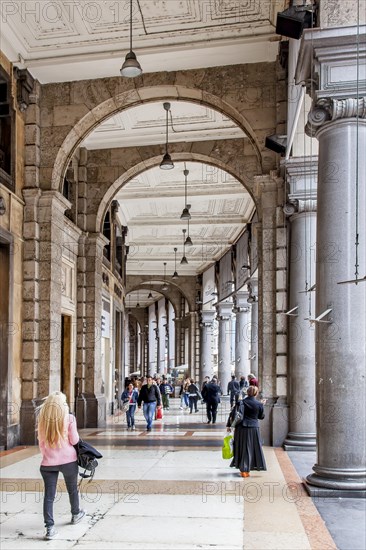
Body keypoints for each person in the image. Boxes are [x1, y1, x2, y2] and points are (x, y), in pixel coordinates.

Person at [36, 391, 86, 540]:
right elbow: (75, 440)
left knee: (49, 496)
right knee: (72, 490)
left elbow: (41, 443)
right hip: (68, 460)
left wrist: (48, 454)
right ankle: (75, 514)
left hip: (47, 463)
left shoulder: (42, 420)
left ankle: (50, 528)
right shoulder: (70, 418)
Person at [226, 385, 266, 478]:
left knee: (242, 447)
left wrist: (229, 425)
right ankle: (246, 469)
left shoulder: (241, 402)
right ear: (256, 393)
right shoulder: (259, 404)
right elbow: (261, 416)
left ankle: (243, 467)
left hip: (241, 428)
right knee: (252, 448)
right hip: (253, 428)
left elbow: (233, 414)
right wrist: (262, 405)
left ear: (247, 393)